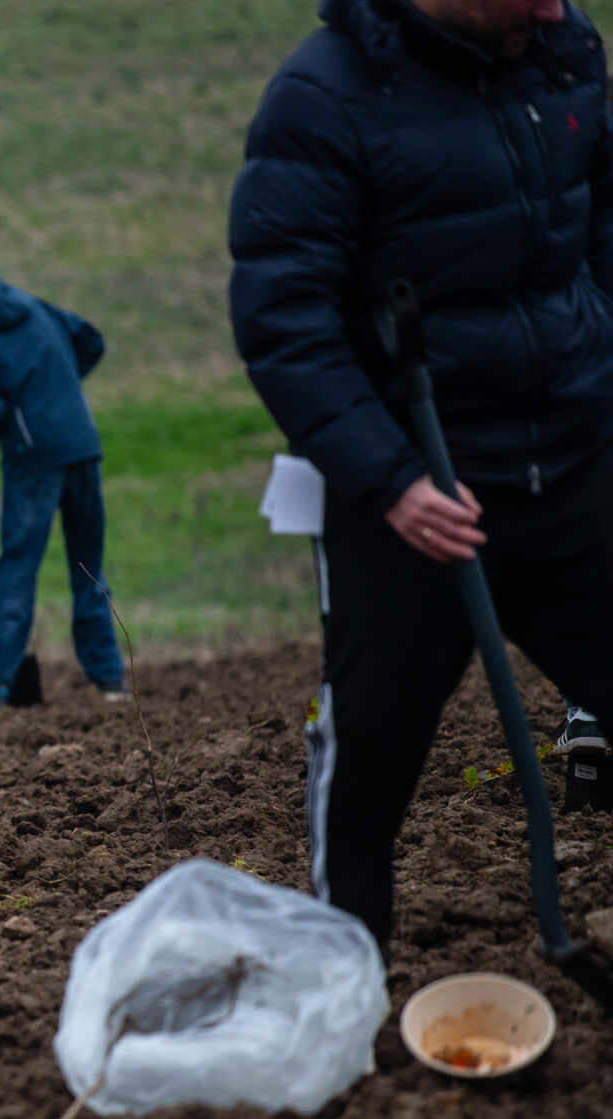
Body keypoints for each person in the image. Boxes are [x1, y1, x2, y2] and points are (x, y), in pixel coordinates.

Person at [230, 0, 613, 948]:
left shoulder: (562, 54)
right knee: (372, 756)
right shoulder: (323, 97)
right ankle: (344, 984)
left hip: (573, 465)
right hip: (417, 494)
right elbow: (285, 318)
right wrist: (390, 479)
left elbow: (600, 240)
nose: (555, 5)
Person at [0, 257, 127, 709]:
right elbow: (91, 341)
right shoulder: (37, 307)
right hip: (82, 443)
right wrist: (57, 390)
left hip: (31, 455)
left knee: (18, 565)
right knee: (89, 568)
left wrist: (11, 422)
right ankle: (111, 680)